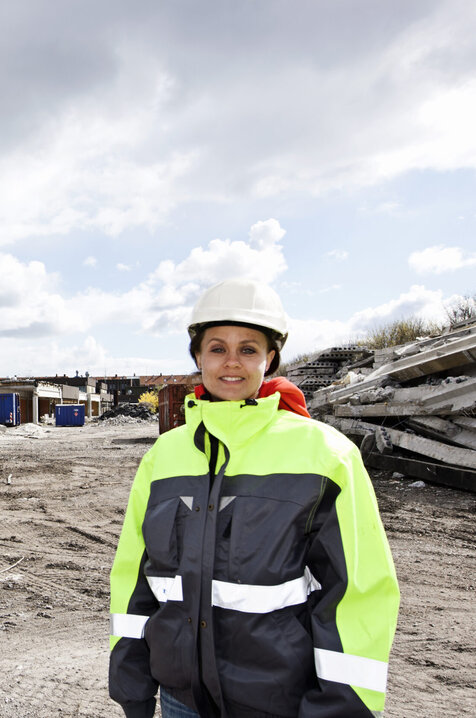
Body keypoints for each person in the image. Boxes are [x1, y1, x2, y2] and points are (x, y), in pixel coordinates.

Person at [108, 278, 399, 718]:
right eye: (217, 348)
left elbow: (358, 593)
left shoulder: (327, 455)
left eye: (248, 349)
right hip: (180, 701)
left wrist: (339, 709)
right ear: (198, 358)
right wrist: (132, 688)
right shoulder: (162, 456)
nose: (231, 362)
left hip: (278, 704)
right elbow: (134, 581)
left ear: (270, 359)